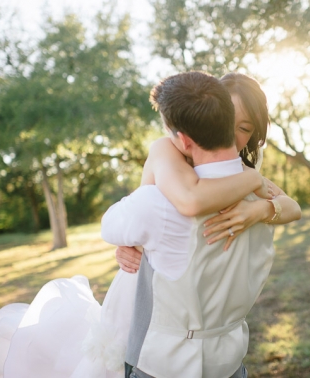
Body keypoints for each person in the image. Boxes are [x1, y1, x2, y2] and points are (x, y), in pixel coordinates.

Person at [0, 72, 300, 378]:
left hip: (206, 321)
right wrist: (129, 241)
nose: (230, 134)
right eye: (226, 121)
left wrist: (259, 210)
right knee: (130, 351)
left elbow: (292, 207)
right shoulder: (171, 155)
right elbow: (150, 203)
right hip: (152, 297)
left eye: (244, 127)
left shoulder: (245, 175)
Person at [101, 70, 276, 378]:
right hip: (231, 359)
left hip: (162, 362)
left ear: (182, 138)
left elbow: (118, 220)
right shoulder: (260, 193)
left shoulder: (159, 201)